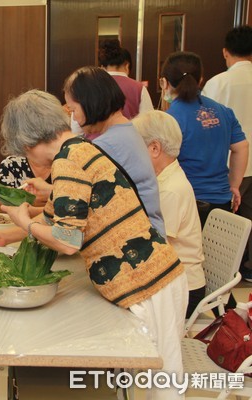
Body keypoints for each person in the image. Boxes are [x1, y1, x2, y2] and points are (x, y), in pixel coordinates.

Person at [0, 89, 187, 400]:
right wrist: (12, 231)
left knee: (155, 389)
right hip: (158, 276)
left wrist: (23, 220)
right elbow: (67, 216)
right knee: (154, 384)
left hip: (146, 282)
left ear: (27, 142)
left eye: (24, 152)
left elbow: (67, 240)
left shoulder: (68, 162)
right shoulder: (80, 149)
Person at [64, 66, 166, 237]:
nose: (74, 118)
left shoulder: (107, 144)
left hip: (140, 243)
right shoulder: (126, 131)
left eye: (73, 110)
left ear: (90, 103)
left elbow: (78, 199)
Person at [160, 51, 249, 228]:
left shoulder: (170, 119)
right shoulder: (223, 111)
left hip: (187, 204)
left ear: (165, 82)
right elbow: (242, 147)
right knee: (214, 254)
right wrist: (234, 185)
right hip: (221, 202)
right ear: (200, 79)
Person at [133, 110, 206, 318]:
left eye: (137, 147)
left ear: (155, 148)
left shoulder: (170, 189)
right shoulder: (163, 179)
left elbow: (155, 244)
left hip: (184, 288)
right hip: (172, 279)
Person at [202, 25, 252, 280]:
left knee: (228, 220)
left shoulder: (217, 83)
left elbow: (205, 123)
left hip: (232, 161)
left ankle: (226, 271)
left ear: (225, 52)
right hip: (248, 159)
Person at [98, 39, 154, 120]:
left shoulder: (92, 86)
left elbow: (77, 126)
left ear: (103, 67)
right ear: (127, 65)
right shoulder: (138, 88)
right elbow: (148, 122)